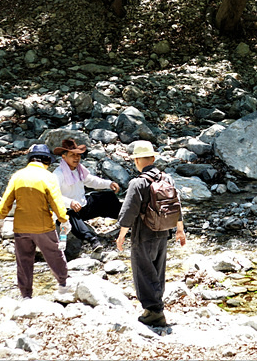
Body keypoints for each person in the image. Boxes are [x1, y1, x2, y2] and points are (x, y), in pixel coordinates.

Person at [116, 140, 186, 328]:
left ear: (137, 161)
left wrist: (122, 234)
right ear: (153, 158)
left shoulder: (138, 183)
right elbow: (176, 205)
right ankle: (156, 307)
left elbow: (129, 211)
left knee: (143, 271)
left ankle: (154, 311)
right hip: (164, 233)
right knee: (157, 270)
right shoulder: (167, 179)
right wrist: (180, 230)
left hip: (143, 234)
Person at [0, 144, 72, 301]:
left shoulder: (17, 176)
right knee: (54, 255)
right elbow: (56, 202)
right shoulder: (48, 177)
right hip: (43, 227)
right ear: (46, 160)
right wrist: (64, 220)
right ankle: (64, 286)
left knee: (23, 262)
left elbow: (7, 200)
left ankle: (26, 296)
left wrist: (0, 219)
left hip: (21, 228)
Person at [52, 138, 121, 251]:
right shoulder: (57, 174)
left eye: (78, 155)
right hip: (69, 209)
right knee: (69, 216)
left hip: (83, 205)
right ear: (64, 157)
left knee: (107, 197)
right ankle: (93, 240)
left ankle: (126, 220)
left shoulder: (79, 169)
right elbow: (53, 195)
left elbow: (92, 181)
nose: (76, 158)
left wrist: (109, 184)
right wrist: (70, 202)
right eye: (72, 155)